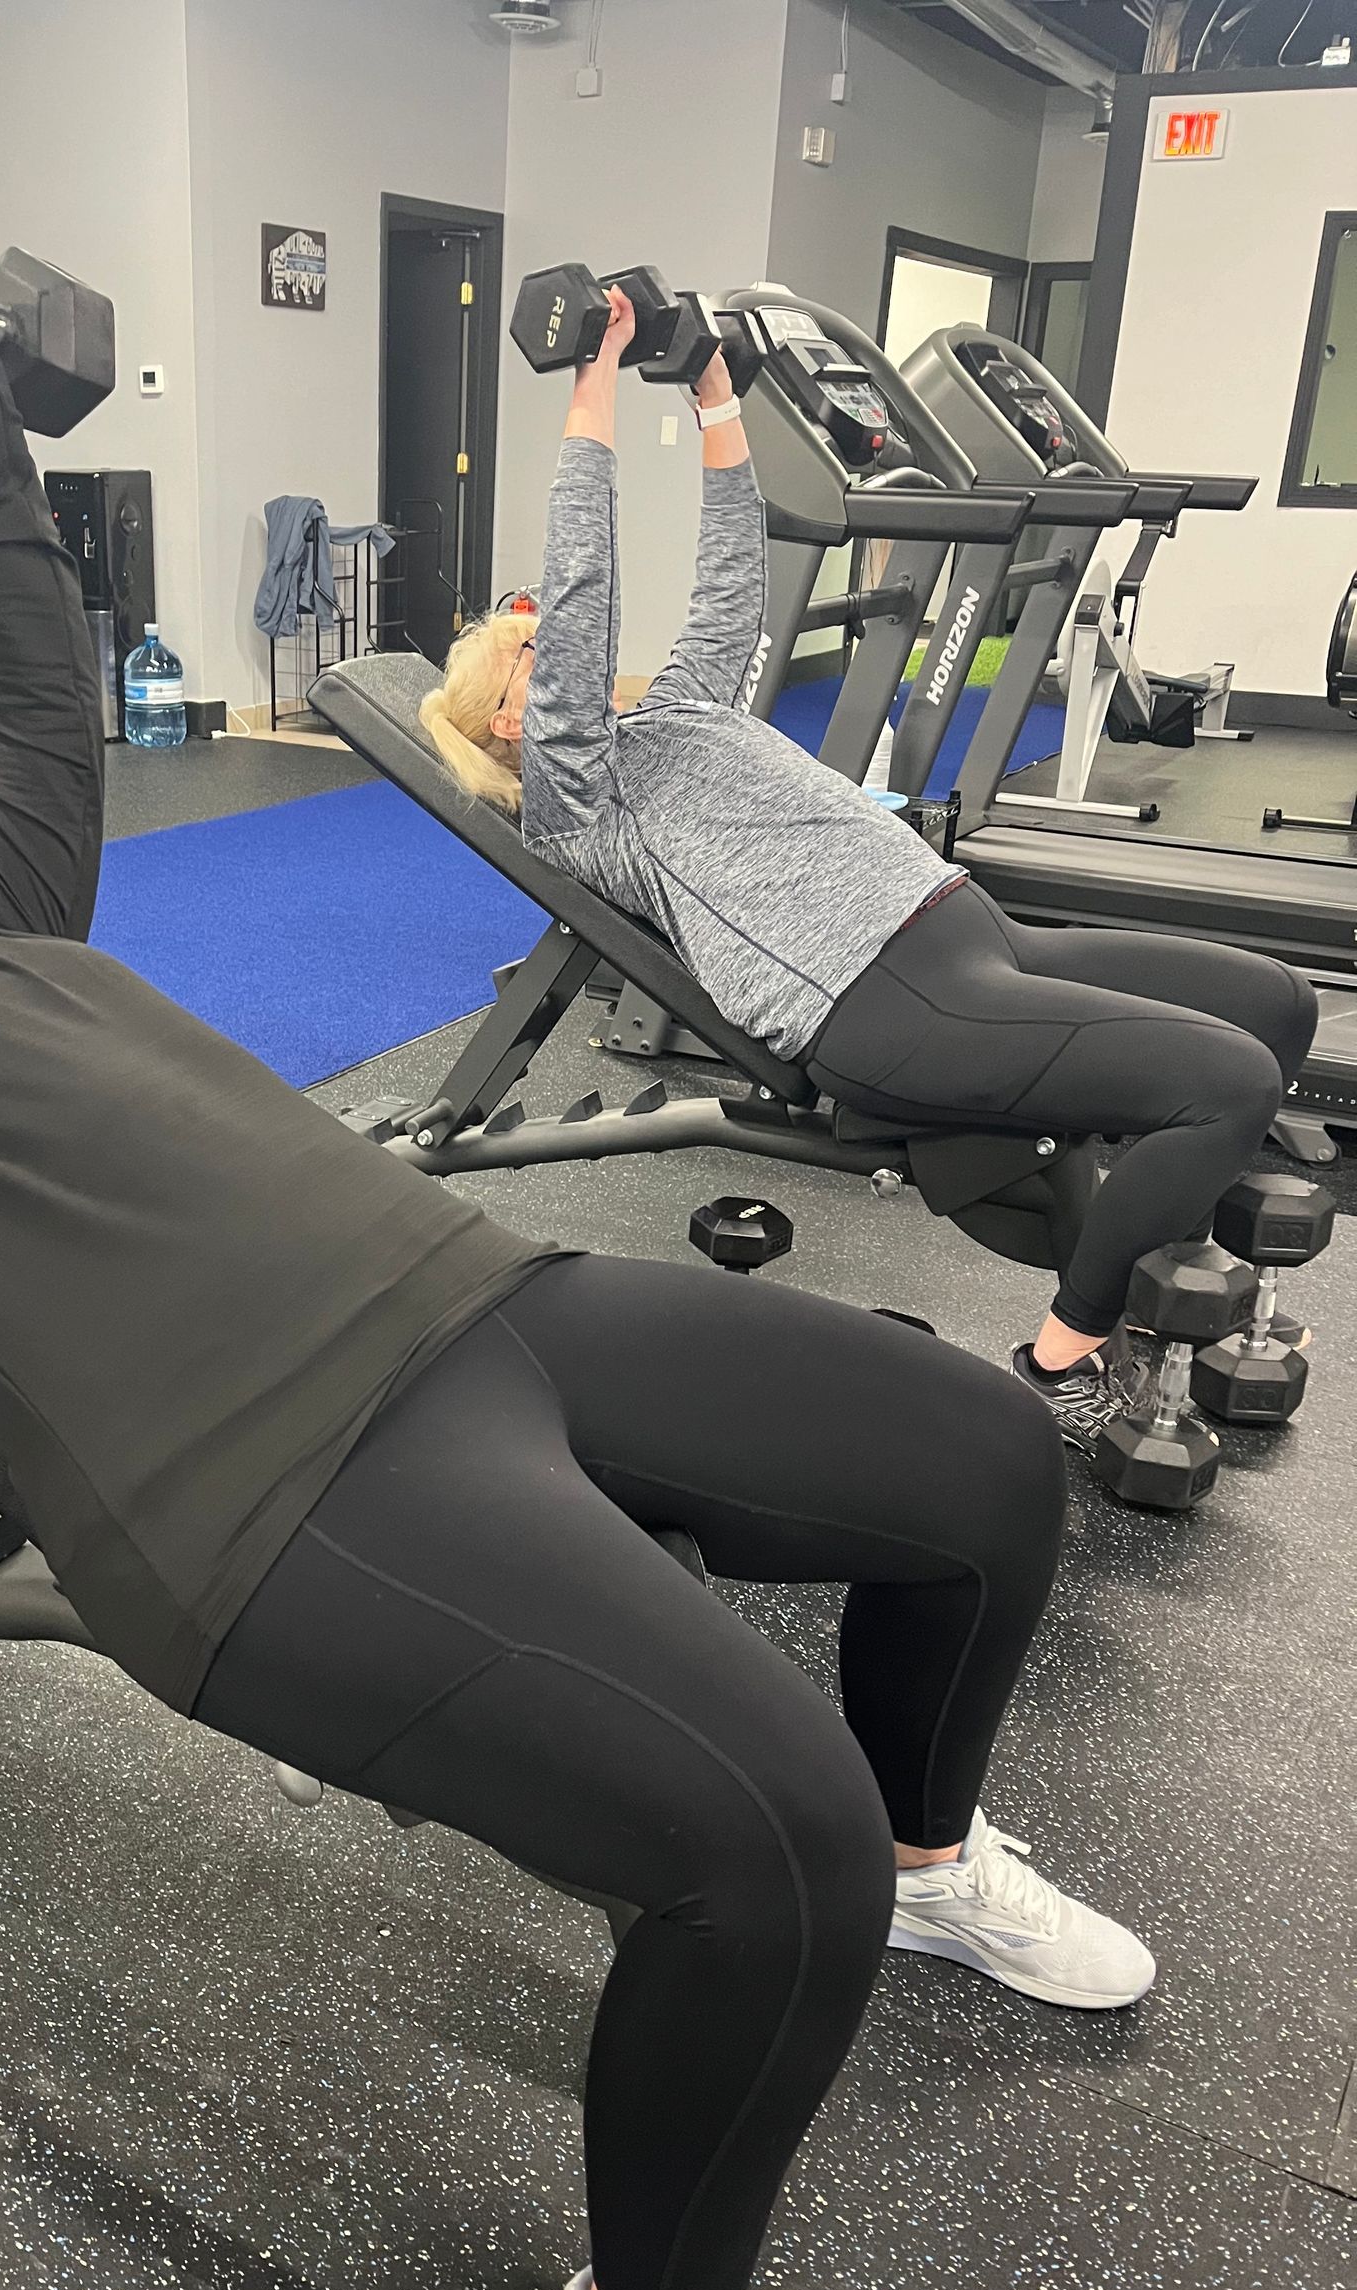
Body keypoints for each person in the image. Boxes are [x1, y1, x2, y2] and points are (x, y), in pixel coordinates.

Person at [0, 183, 1153, 2290]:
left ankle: (932, 1841)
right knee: (752, 1853)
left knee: (979, 1455)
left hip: (476, 1295)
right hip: (273, 1492)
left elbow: (37, 685)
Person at [423, 287, 1319, 1454]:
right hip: (880, 998)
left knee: (1278, 1002)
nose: (556, 648)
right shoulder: (574, 795)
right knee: (1230, 1080)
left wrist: (712, 398)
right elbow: (585, 596)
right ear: (509, 726)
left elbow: (733, 573)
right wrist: (590, 382)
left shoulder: (678, 710)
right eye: (529, 660)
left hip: (967, 928)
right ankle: (1068, 1360)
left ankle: (1155, 1246)